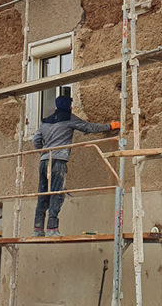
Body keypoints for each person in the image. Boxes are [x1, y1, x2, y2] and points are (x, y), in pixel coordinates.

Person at [32, 95, 119, 237]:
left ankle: (38, 229)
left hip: (43, 162)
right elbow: (88, 127)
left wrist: (44, 152)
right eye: (71, 105)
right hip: (58, 161)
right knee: (57, 193)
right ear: (69, 106)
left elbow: (36, 140)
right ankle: (52, 229)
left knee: (43, 194)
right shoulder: (69, 118)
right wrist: (110, 126)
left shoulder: (45, 122)